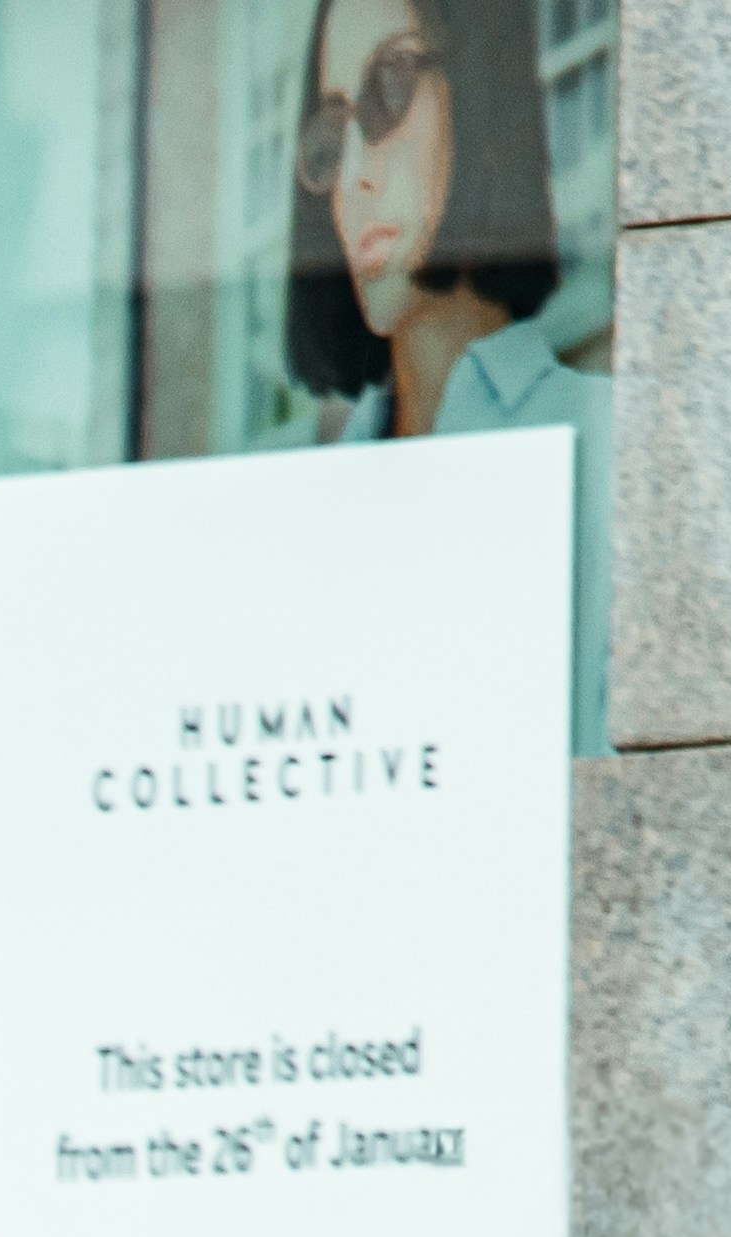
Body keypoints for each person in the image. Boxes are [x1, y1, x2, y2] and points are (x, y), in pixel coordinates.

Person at [287, 0, 612, 747]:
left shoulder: (609, 445)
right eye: (330, 135)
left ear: (481, 92)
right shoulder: (301, 515)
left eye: (389, 90)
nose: (356, 176)